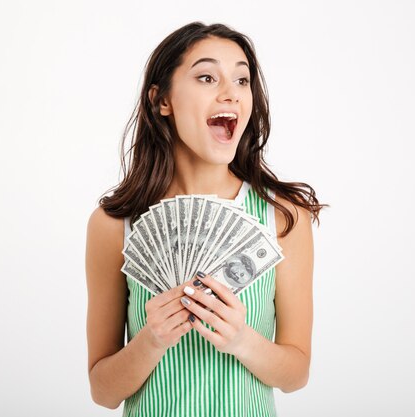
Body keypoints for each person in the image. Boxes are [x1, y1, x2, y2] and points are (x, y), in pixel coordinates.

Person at [85, 21, 327, 417]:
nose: (230, 93)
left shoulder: (283, 218)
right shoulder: (114, 225)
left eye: (242, 80)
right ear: (161, 100)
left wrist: (242, 340)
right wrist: (151, 340)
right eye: (207, 77)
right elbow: (103, 391)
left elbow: (295, 373)